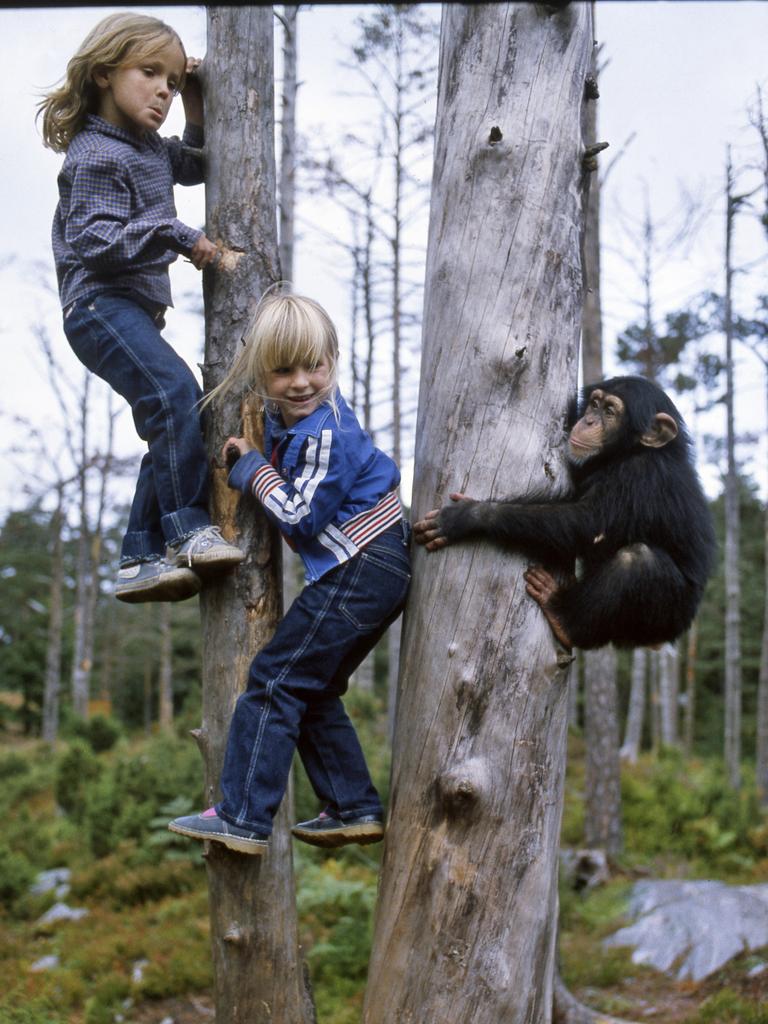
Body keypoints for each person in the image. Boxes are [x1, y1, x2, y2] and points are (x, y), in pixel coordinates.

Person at [169, 291, 411, 854]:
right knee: (313, 688)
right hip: (368, 568)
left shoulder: (328, 432)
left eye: (315, 366)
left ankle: (243, 817)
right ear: (261, 374)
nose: (302, 382)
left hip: (363, 565)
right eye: (283, 371)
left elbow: (301, 517)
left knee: (274, 680)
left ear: (334, 360)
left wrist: (252, 469)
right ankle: (353, 805)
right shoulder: (299, 423)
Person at [38, 11, 243, 604]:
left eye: (173, 82)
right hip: (99, 306)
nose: (163, 90)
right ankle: (187, 530)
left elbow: (194, 162)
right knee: (172, 394)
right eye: (150, 73)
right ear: (104, 73)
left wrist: (197, 104)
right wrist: (178, 234)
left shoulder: (148, 147)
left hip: (126, 311)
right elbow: (95, 242)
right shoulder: (95, 155)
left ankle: (137, 558)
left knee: (177, 412)